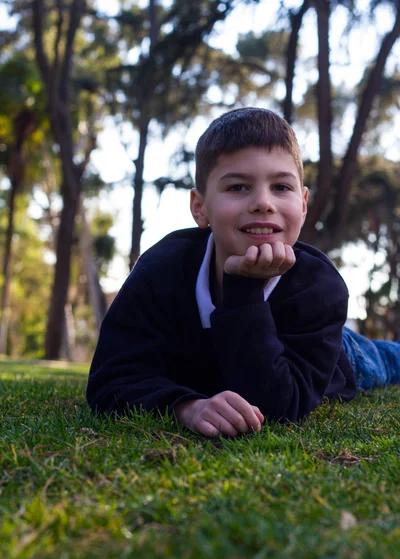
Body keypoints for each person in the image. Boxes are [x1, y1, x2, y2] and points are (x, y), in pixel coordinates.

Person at [87, 107, 400, 437]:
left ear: (303, 203)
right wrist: (186, 406)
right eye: (237, 187)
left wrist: (244, 288)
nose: (263, 203)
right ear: (199, 206)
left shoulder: (319, 287)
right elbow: (111, 378)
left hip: (339, 354)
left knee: (387, 359)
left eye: (281, 187)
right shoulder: (161, 270)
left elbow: (279, 407)